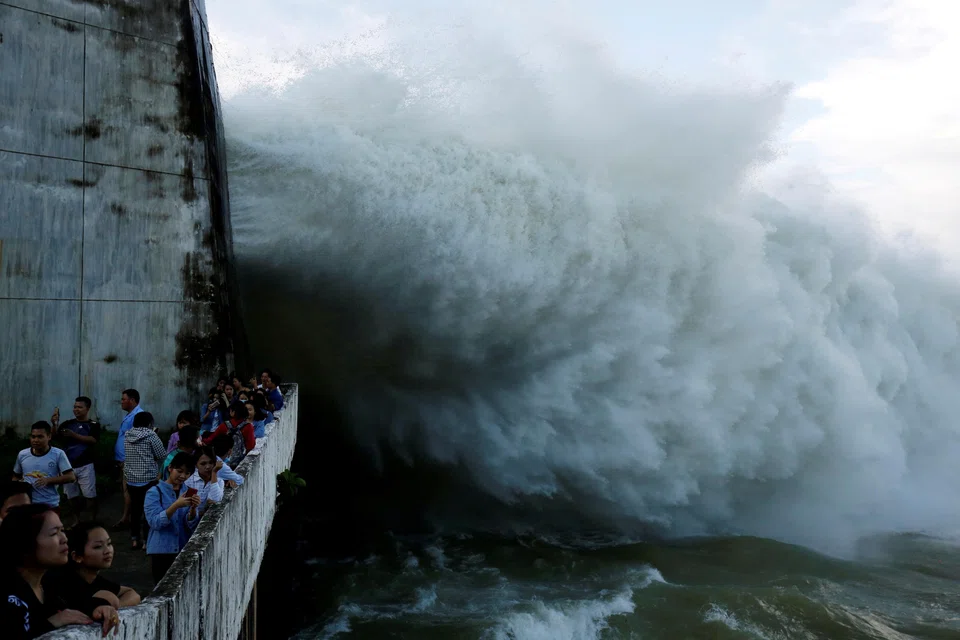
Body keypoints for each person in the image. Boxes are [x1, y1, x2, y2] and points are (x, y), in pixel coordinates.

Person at [0, 504, 120, 638]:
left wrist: (99, 608)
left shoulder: (51, 582)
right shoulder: (8, 593)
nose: (64, 539)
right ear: (25, 544)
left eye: (62, 530)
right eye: (53, 533)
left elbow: (78, 601)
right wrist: (52, 622)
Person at [45, 523, 141, 610]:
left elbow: (132, 594)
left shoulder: (95, 580)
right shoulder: (63, 582)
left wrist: (116, 606)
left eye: (109, 543)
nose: (107, 551)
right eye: (98, 546)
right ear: (77, 557)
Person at [143, 453, 201, 584]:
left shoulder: (188, 491)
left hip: (182, 548)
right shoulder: (154, 492)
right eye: (179, 471)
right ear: (170, 468)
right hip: (161, 551)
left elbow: (190, 525)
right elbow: (154, 522)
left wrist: (193, 509)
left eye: (187, 473)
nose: (182, 476)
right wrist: (175, 505)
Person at [51, 397, 101, 525]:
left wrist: (74, 435)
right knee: (71, 496)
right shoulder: (67, 424)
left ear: (87, 408)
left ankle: (92, 520)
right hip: (67, 466)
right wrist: (54, 424)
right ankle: (76, 520)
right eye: (75, 407)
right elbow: (54, 437)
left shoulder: (93, 425)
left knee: (90, 495)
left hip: (86, 464)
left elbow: (93, 440)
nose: (76, 410)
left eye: (79, 407)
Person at [123, 412, 165, 550]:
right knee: (149, 511)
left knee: (135, 510)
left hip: (131, 479)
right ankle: (147, 541)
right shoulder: (152, 435)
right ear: (149, 423)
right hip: (148, 479)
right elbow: (161, 455)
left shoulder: (127, 435)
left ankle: (134, 539)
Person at [12, 422, 75, 510]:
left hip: (50, 505)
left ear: (49, 437)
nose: (36, 440)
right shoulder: (22, 454)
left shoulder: (58, 454)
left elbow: (71, 477)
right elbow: (15, 477)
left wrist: (48, 480)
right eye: (33, 436)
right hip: (27, 505)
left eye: (40, 437)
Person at [113, 388, 143, 530]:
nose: (122, 402)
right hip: (123, 459)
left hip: (129, 459)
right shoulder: (131, 415)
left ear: (132, 400)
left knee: (128, 489)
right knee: (125, 488)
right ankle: (128, 517)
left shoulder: (138, 416)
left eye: (123, 399)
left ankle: (127, 518)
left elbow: (138, 438)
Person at [202, 402, 255, 468]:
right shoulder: (248, 426)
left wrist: (201, 440)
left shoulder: (224, 425)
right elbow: (251, 446)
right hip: (239, 461)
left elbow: (211, 439)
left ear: (232, 412)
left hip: (224, 461)